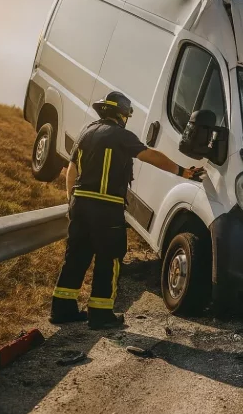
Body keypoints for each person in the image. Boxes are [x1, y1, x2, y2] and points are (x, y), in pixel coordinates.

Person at [50, 91, 204, 329]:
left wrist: (72, 201)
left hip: (80, 204)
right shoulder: (120, 135)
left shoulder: (86, 132)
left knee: (76, 256)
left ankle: (61, 309)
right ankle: (100, 314)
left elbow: (71, 170)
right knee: (109, 258)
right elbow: (150, 156)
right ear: (121, 114)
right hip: (106, 206)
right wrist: (182, 171)